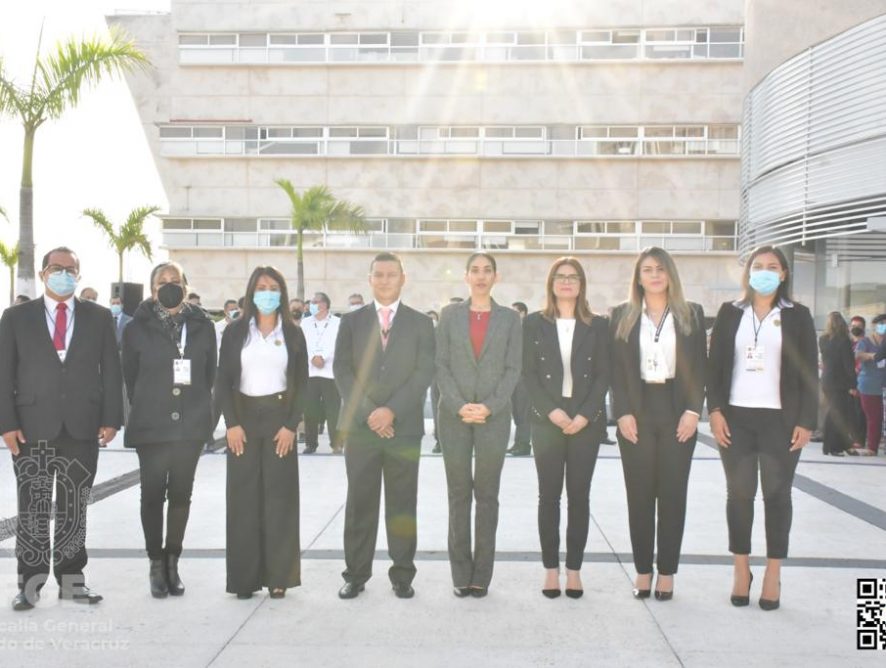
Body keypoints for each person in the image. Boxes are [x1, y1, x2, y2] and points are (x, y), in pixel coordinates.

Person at [0, 247, 122, 610]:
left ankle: (72, 581)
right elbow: (4, 374)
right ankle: (30, 584)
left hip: (82, 426)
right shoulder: (16, 317)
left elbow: (111, 372)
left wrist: (112, 417)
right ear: (42, 274)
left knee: (74, 507)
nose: (64, 274)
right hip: (31, 426)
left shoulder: (98, 317)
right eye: (57, 268)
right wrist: (6, 423)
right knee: (34, 506)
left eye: (71, 269)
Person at [707, 245, 817, 611]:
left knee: (777, 496)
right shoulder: (730, 313)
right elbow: (716, 366)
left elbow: (809, 373)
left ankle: (772, 573)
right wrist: (716, 410)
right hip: (735, 417)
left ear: (784, 274)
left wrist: (806, 420)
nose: (765, 272)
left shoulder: (798, 316)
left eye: (773, 267)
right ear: (748, 272)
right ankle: (741, 569)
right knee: (738, 496)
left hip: (781, 421)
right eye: (758, 266)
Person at [334, 252, 435, 600]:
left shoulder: (421, 323)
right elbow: (343, 372)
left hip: (403, 429)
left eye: (392, 274)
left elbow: (424, 372)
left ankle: (403, 575)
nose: (385, 279)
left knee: (402, 505)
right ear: (370, 278)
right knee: (360, 504)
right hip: (362, 431)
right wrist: (370, 413)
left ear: (403, 278)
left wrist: (390, 410)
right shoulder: (351, 322)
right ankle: (356, 574)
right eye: (379, 274)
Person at [610, 247, 706, 601]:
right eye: (647, 270)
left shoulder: (690, 314)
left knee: (672, 495)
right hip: (636, 410)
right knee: (638, 496)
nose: (654, 275)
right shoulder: (621, 315)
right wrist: (621, 412)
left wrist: (694, 412)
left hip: (676, 409)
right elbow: (616, 371)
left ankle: (667, 573)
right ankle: (643, 571)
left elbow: (700, 366)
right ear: (638, 276)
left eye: (660, 270)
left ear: (670, 275)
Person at [122, 262, 217, 598]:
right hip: (152, 425)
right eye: (162, 282)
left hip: (189, 427)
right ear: (152, 289)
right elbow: (130, 378)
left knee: (180, 495)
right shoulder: (136, 327)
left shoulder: (203, 324)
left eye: (175, 281)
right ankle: (154, 563)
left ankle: (172, 561)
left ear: (185, 285)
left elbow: (209, 375)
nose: (169, 286)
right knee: (151, 494)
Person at [215, 266, 308, 599]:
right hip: (243, 420)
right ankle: (244, 580)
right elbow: (223, 381)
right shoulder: (236, 332)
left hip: (279, 421)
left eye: (273, 287)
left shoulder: (294, 333)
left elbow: (303, 384)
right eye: (261, 287)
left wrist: (290, 426)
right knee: (243, 500)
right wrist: (231, 424)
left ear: (281, 293)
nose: (267, 293)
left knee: (279, 501)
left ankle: (279, 576)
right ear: (251, 292)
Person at [435, 253, 522, 597]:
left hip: (494, 417)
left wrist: (488, 406)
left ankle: (481, 575)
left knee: (487, 496)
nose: (481, 276)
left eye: (487, 271)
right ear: (466, 277)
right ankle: (460, 573)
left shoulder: (510, 319)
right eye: (475, 270)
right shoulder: (449, 315)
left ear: (496, 277)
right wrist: (460, 406)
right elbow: (440, 365)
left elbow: (513, 369)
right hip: (453, 417)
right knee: (458, 495)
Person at [522, 257, 610, 598]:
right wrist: (551, 411)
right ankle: (550, 570)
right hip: (547, 420)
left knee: (579, 497)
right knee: (549, 497)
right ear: (551, 283)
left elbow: (604, 374)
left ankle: (574, 571)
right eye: (560, 277)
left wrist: (586, 415)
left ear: (582, 284)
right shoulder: (533, 322)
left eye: (573, 277)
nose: (567, 282)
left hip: (585, 420)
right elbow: (527, 374)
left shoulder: (598, 325)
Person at [302, 292, 342, 454]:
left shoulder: (338, 323)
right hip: (310, 373)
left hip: (330, 373)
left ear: (324, 305)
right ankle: (310, 444)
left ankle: (336, 443)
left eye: (314, 302)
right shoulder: (305, 323)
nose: (311, 304)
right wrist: (312, 357)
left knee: (333, 410)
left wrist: (323, 356)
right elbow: (302, 342)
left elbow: (337, 343)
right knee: (310, 410)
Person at [819, 312, 857, 457]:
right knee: (837, 414)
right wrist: (853, 384)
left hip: (827, 380)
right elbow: (848, 365)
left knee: (835, 412)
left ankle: (840, 444)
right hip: (841, 383)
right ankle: (833, 446)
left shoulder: (823, 339)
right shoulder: (844, 341)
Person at [855, 314, 886, 455]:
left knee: (880, 417)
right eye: (881, 325)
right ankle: (872, 447)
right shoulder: (865, 341)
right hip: (869, 384)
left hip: (882, 384)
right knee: (874, 416)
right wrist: (872, 356)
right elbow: (857, 355)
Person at [508, 301, 532, 456]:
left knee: (523, 413)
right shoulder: (511, 330)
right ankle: (518, 442)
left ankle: (523, 444)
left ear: (523, 313)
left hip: (524, 378)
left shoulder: (529, 330)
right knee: (516, 413)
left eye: (516, 312)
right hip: (511, 377)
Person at [425, 309, 442, 454]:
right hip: (435, 376)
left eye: (433, 318)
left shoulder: (442, 332)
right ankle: (440, 441)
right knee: (437, 409)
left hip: (453, 376)